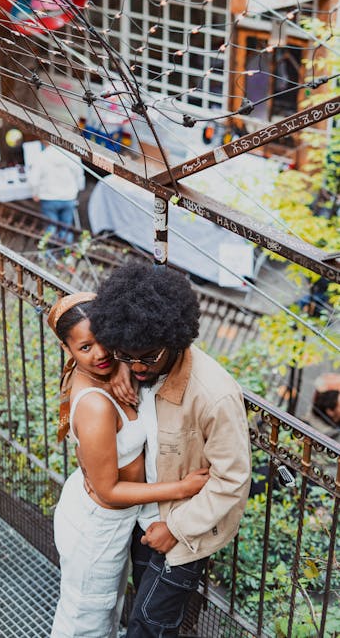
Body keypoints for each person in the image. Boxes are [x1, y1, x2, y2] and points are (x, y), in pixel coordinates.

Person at [88, 263, 252, 638]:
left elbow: (233, 480)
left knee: (148, 626)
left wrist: (175, 528)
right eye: (126, 355)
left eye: (147, 356)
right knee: (148, 616)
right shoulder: (135, 360)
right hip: (142, 520)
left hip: (182, 534)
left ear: (175, 338)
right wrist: (122, 366)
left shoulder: (214, 396)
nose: (138, 366)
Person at [47, 292, 209, 638]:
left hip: (118, 520)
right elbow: (108, 489)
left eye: (105, 340)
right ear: (68, 350)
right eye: (85, 347)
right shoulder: (96, 406)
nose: (100, 353)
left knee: (109, 608)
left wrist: (123, 364)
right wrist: (182, 488)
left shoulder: (115, 368)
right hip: (98, 525)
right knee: (85, 618)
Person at [29, 141, 84, 243]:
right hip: (68, 197)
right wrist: (78, 191)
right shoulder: (72, 155)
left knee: (50, 229)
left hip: (49, 198)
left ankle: (49, 255)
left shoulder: (42, 156)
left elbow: (33, 179)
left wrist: (35, 193)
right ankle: (66, 255)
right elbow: (80, 175)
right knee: (66, 228)